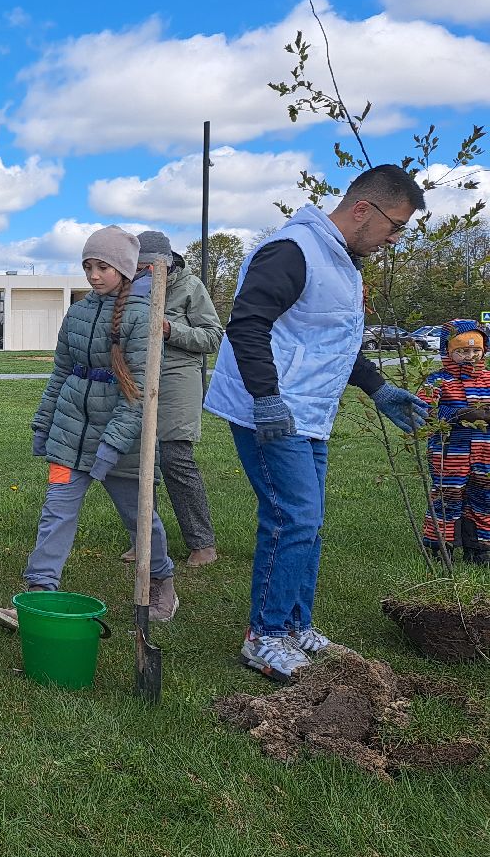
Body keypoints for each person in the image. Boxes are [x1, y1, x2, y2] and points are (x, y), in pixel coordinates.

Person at [204, 164, 430, 682]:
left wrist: (378, 388)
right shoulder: (292, 250)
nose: (394, 239)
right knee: (293, 517)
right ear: (362, 210)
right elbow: (247, 325)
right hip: (272, 410)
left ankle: (295, 624)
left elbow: (329, 341)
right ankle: (265, 636)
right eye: (395, 226)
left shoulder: (340, 262)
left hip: (308, 411)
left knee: (308, 520)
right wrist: (266, 399)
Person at [0, 227, 179, 630]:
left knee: (140, 519)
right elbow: (60, 374)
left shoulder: (142, 317)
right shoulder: (77, 313)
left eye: (103, 267)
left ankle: (160, 580)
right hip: (69, 436)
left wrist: (111, 447)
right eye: (88, 266)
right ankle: (39, 592)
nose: (94, 275)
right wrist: (44, 424)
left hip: (123, 444)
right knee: (56, 512)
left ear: (124, 269)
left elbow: (139, 393)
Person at [119, 231, 224, 567]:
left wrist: (169, 330)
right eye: (136, 268)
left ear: (161, 264)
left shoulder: (190, 286)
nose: (140, 273)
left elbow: (213, 337)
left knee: (175, 459)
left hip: (178, 379)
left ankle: (202, 543)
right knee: (137, 464)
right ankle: (145, 541)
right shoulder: (128, 287)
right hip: (137, 378)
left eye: (145, 267)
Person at [416, 319, 490, 566]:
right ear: (447, 351)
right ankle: (440, 545)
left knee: (484, 495)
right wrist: (457, 415)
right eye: (463, 351)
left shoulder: (488, 379)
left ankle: (479, 547)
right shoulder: (438, 381)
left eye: (476, 350)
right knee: (448, 495)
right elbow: (423, 410)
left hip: (484, 451)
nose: (470, 356)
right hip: (449, 452)